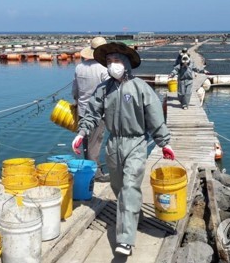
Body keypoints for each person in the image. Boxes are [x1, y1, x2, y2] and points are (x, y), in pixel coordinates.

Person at [71, 42, 175, 256]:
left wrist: (164, 143)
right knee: (119, 187)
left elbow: (155, 117)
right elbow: (91, 114)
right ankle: (135, 216)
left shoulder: (141, 88)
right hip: (113, 144)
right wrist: (81, 134)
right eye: (109, 62)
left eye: (116, 61)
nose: (112, 65)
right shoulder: (104, 89)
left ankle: (125, 240)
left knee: (129, 187)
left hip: (136, 143)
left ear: (126, 63)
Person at [72, 36, 110, 182]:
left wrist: (77, 101)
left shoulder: (79, 67)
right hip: (97, 113)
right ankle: (95, 175)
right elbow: (109, 92)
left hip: (82, 111)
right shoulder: (104, 69)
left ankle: (90, 170)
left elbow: (75, 90)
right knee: (95, 144)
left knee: (86, 143)